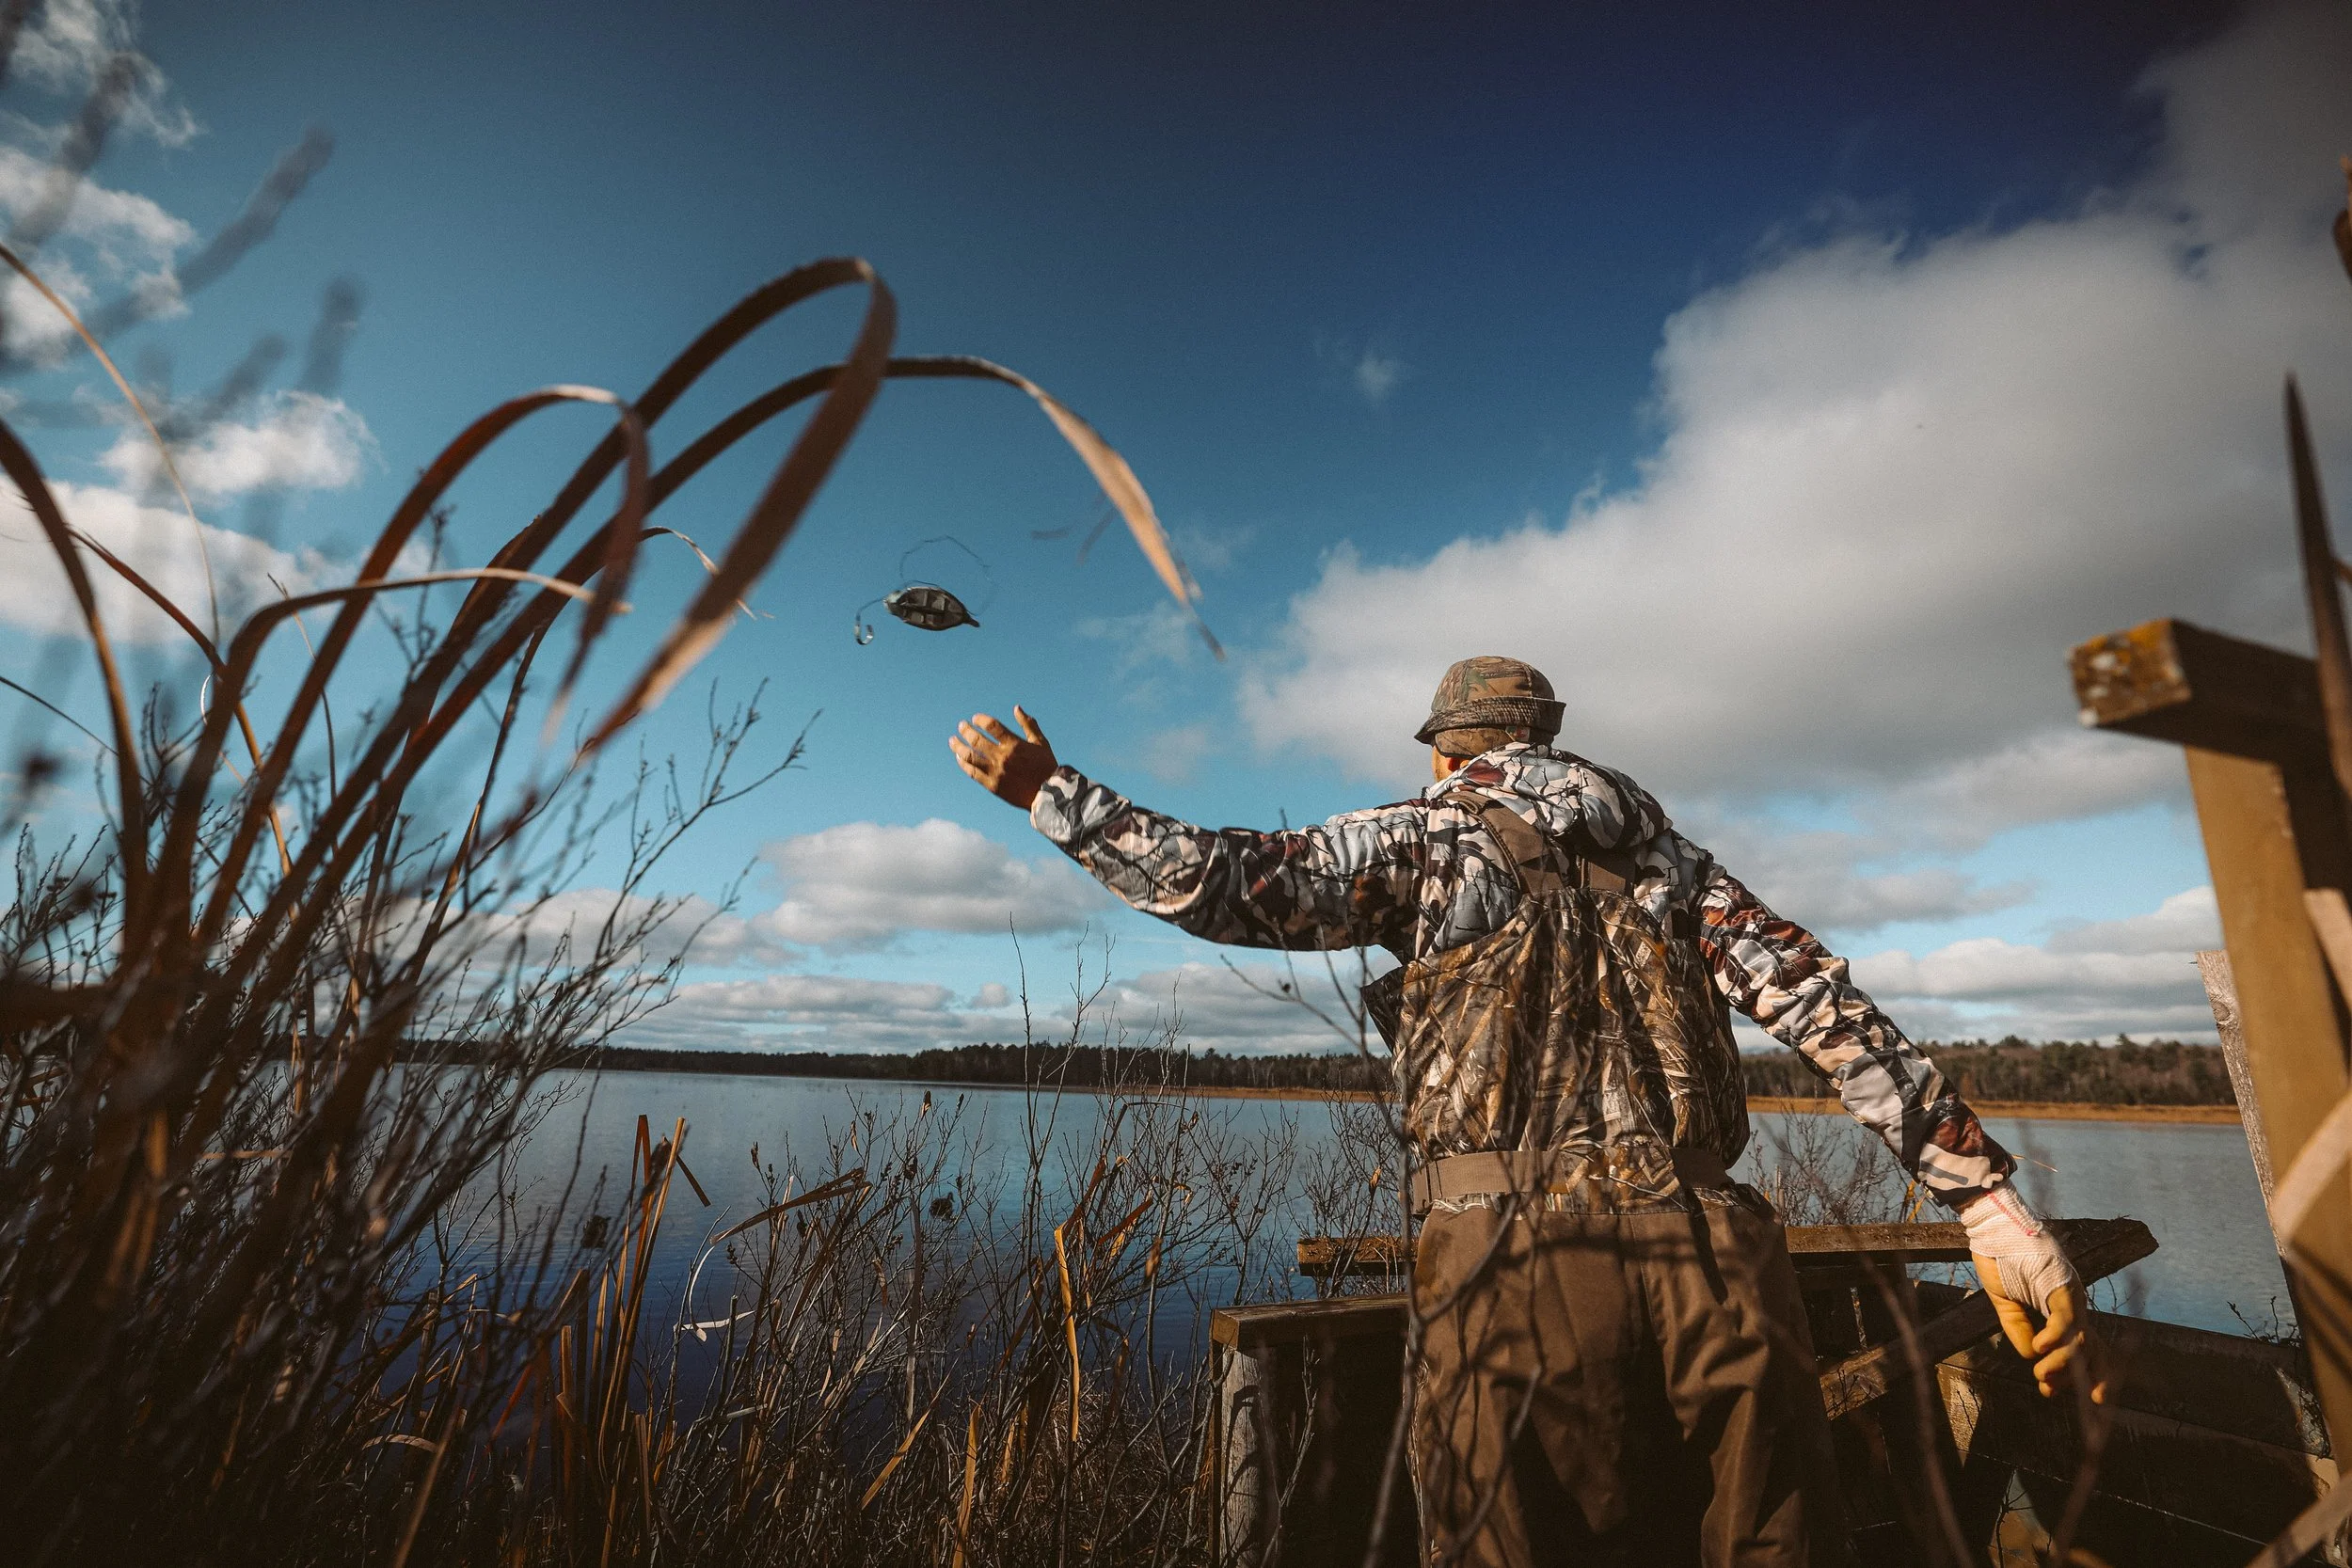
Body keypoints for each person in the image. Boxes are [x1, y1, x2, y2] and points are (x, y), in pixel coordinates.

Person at [950, 656, 2096, 1568]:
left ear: (1449, 749)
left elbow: (1216, 878)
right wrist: (1989, 1205)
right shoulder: (1676, 864)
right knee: (1776, 1541)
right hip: (1721, 1256)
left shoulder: (1423, 837)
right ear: (1544, 737)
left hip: (1516, 1260)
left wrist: (1051, 792)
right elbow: (1823, 1006)